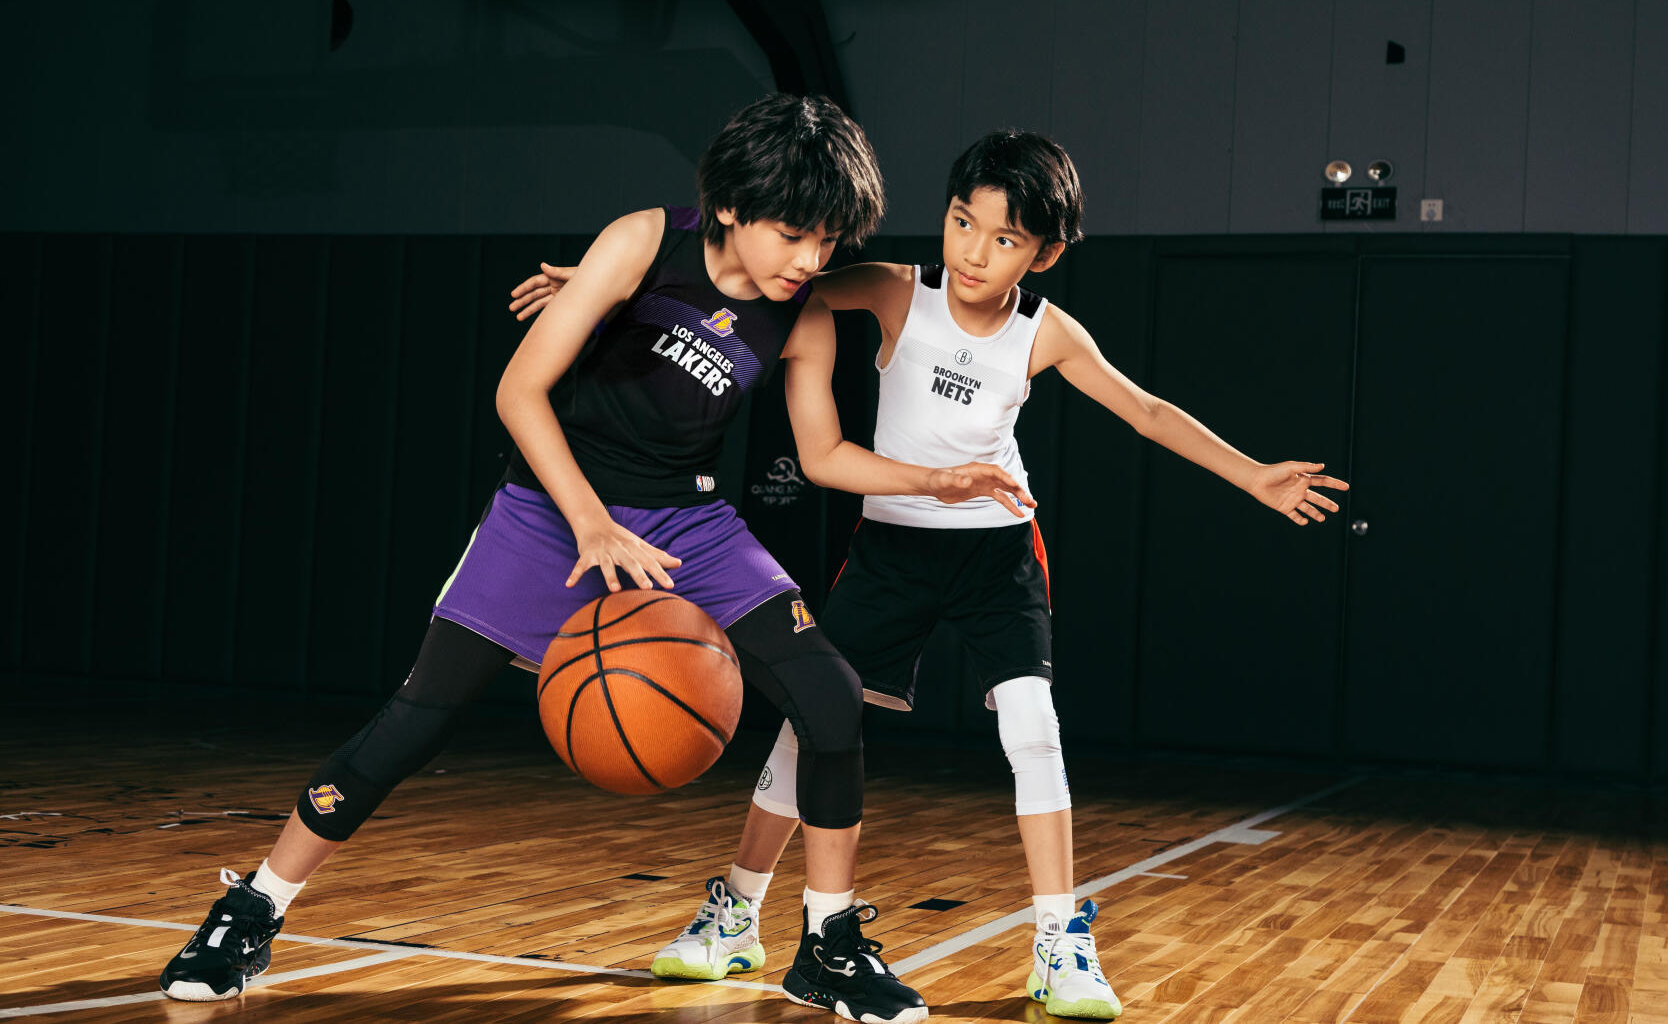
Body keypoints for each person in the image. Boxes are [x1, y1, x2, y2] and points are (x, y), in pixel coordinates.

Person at [157, 94, 1029, 1024]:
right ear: (730, 206)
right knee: (414, 723)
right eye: (795, 234)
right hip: (547, 508)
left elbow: (821, 457)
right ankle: (251, 908)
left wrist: (933, 482)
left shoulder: (803, 315)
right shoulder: (643, 242)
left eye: (829, 240)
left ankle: (826, 946)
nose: (812, 260)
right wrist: (590, 522)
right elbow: (519, 392)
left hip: (688, 524)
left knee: (829, 696)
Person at [512, 129, 1348, 1020]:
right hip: (892, 548)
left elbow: (1144, 411)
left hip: (996, 551)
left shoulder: (1046, 332)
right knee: (812, 726)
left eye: (1004, 238)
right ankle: (736, 915)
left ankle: (1059, 942)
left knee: (1033, 726)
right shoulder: (895, 289)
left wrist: (1254, 474)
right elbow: (746, 287)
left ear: (1046, 252)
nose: (975, 251)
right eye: (962, 223)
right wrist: (612, 288)